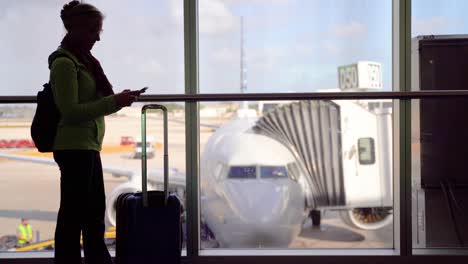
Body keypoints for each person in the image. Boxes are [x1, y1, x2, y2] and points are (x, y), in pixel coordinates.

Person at [50, 1, 144, 263]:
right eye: (93, 30)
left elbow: (93, 107)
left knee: (92, 215)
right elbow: (70, 111)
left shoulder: (84, 61)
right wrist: (115, 102)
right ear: (77, 30)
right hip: (73, 147)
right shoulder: (65, 64)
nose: (98, 37)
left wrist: (118, 100)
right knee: (74, 217)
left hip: (88, 146)